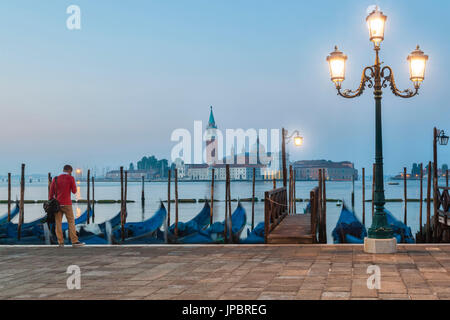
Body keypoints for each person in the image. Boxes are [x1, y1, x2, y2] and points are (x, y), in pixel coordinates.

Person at [49, 165, 85, 247]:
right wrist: (71, 181)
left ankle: (60, 242)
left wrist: (50, 201)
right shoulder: (70, 178)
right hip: (67, 204)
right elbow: (74, 191)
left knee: (58, 223)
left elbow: (51, 193)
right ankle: (74, 241)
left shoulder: (55, 179)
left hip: (57, 205)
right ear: (69, 171)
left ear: (63, 170)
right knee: (71, 222)